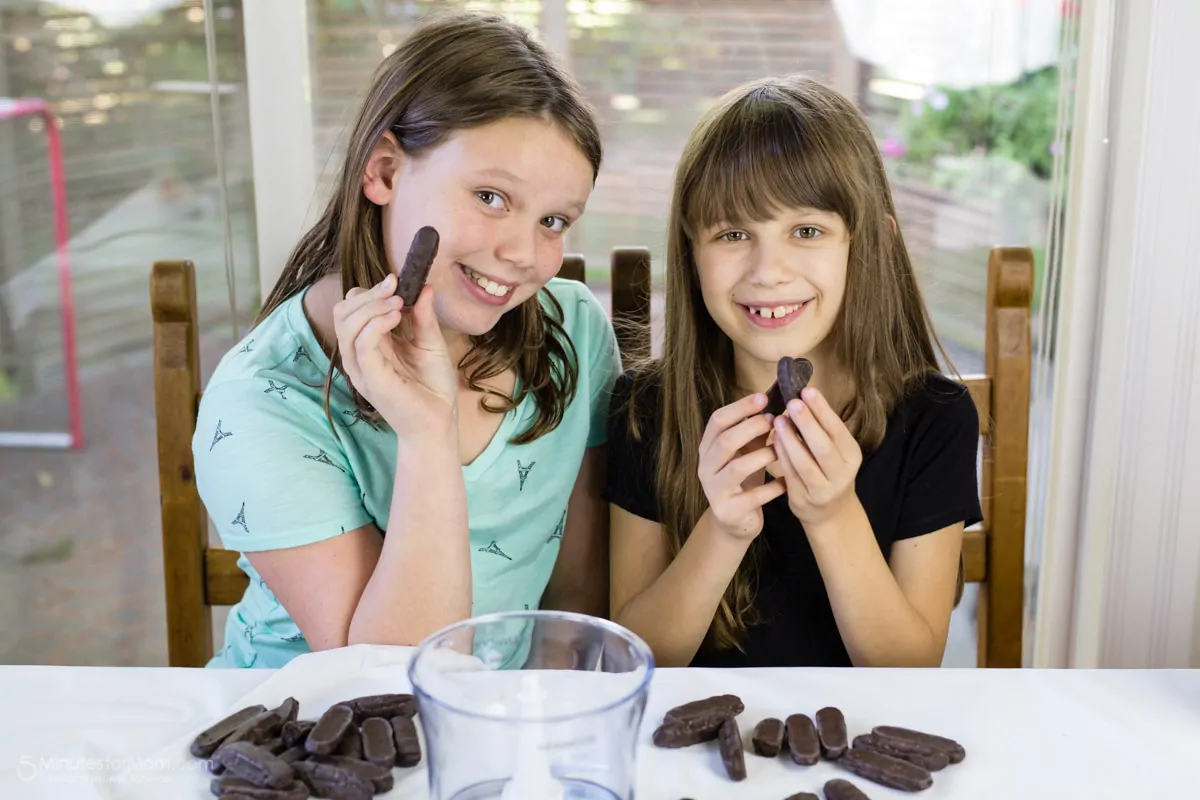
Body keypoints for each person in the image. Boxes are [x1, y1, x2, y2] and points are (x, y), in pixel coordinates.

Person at [192, 12, 619, 668]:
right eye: (491, 197)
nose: (522, 252)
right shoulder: (261, 403)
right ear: (385, 171)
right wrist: (426, 433)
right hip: (304, 738)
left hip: (488, 732)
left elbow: (575, 600)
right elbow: (388, 682)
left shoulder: (572, 332)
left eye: (554, 220)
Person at [605, 75, 982, 668]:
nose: (768, 271)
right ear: (690, 253)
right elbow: (635, 660)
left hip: (852, 745)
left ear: (868, 246)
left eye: (806, 231)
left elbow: (908, 669)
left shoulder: (934, 419)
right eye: (732, 234)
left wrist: (833, 515)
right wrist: (724, 529)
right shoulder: (645, 409)